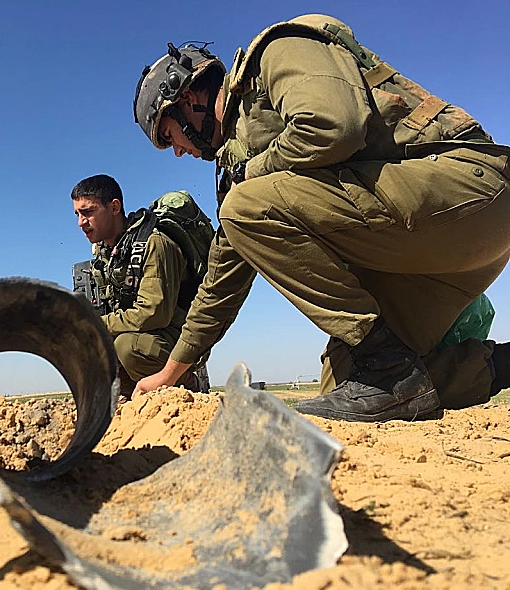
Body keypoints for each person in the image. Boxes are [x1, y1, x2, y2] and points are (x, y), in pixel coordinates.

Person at [131, 14, 510, 421]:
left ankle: (387, 367)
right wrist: (170, 373)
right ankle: (490, 367)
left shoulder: (276, 53)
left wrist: (250, 177)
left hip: (470, 192)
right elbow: (222, 281)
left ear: (187, 100)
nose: (177, 152)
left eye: (169, 137)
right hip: (431, 248)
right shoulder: (238, 166)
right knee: (349, 380)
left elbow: (333, 126)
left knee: (243, 207)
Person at [72, 174, 209, 399]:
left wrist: (96, 324)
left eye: (88, 212)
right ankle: (129, 403)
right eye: (77, 214)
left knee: (128, 347)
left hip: (177, 338)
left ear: (114, 207)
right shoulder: (107, 256)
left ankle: (188, 385)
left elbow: (154, 313)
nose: (80, 222)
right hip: (145, 335)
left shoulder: (155, 243)